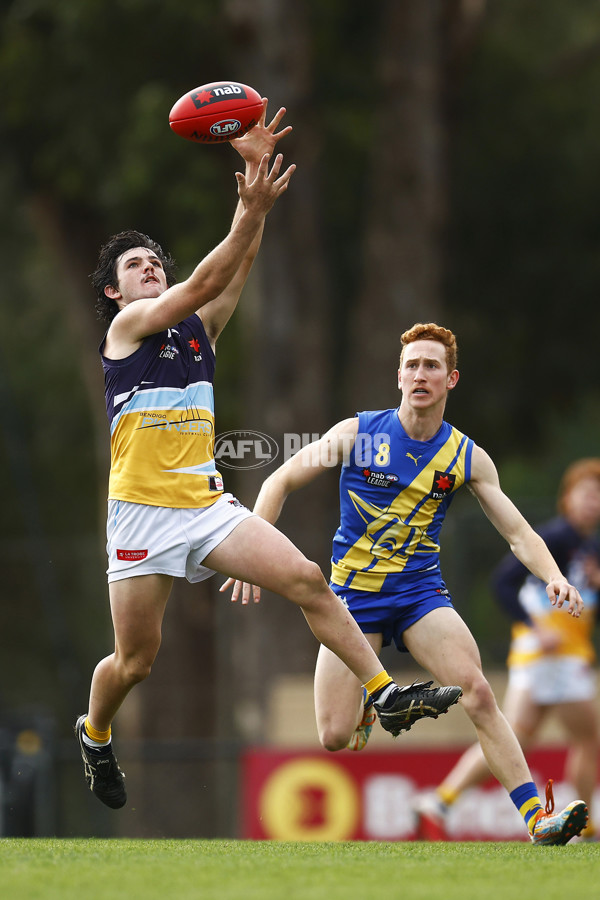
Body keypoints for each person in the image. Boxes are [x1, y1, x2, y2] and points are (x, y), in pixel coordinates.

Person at [76, 108, 461, 811]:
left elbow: (232, 271)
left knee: (311, 579)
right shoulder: (126, 331)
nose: (150, 267)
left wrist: (254, 190)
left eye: (153, 258)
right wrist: (245, 206)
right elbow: (200, 283)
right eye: (135, 266)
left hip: (204, 504)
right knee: (136, 662)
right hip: (140, 518)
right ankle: (97, 734)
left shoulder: (198, 334)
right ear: (114, 292)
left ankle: (386, 695)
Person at [222, 322, 589, 845]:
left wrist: (553, 576)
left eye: (432, 366)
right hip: (349, 600)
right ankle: (374, 702)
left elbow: (517, 531)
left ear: (451, 379)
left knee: (479, 692)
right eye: (412, 365)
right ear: (398, 376)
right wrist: (251, 553)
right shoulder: (358, 434)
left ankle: (536, 820)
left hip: (420, 595)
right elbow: (278, 479)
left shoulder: (467, 457)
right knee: (332, 735)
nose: (421, 374)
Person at [414, 458, 600, 841]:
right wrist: (534, 627)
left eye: (598, 496)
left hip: (561, 656)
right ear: (567, 499)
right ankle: (588, 827)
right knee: (584, 739)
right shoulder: (559, 537)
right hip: (551, 657)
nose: (593, 503)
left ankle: (440, 801)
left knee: (514, 736)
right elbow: (503, 583)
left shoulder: (589, 545)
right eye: (586, 494)